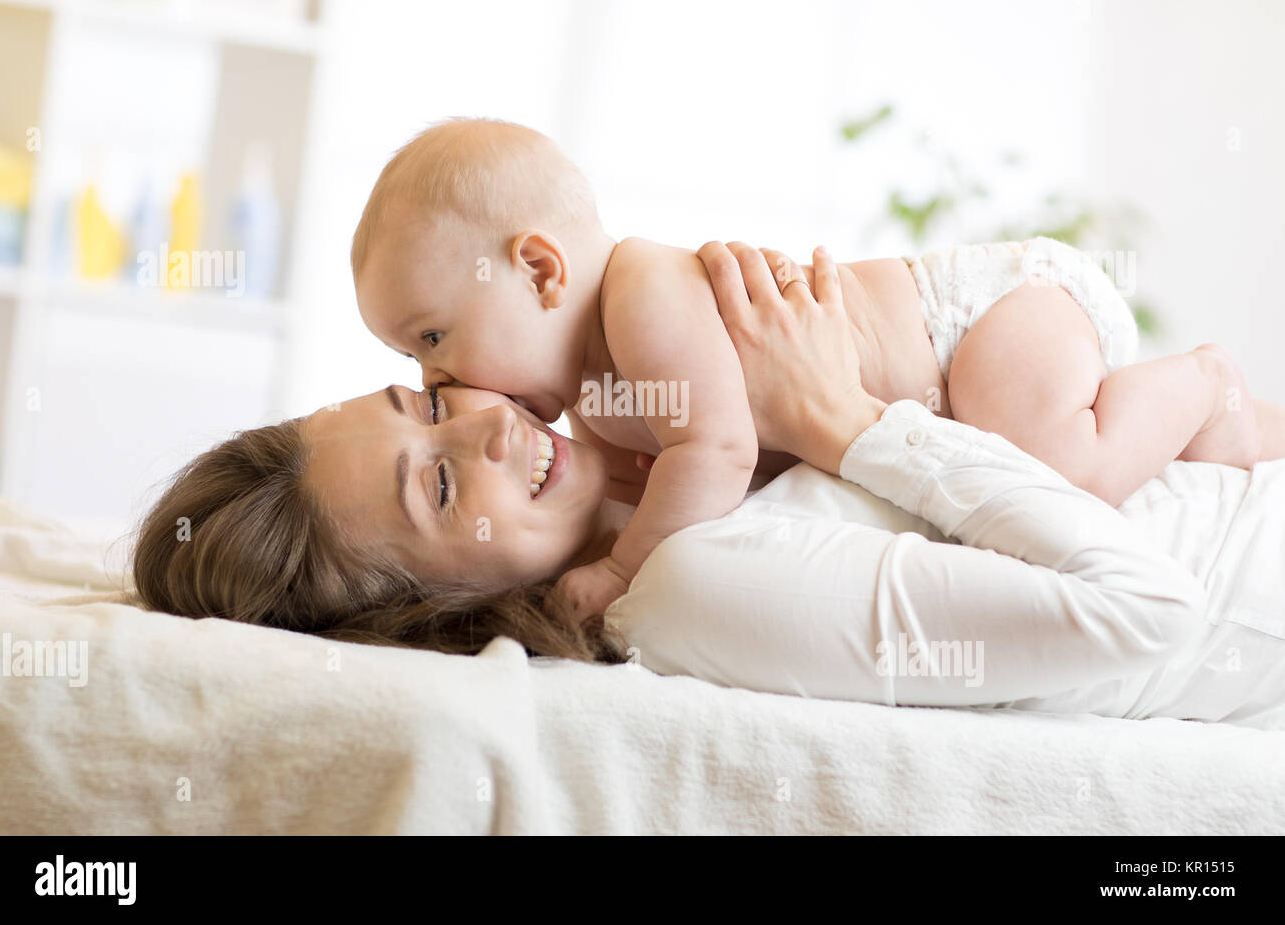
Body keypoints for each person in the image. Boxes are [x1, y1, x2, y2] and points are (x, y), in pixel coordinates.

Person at [134, 243, 1285, 729]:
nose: (485, 421)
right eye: (436, 489)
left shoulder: (650, 450)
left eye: (429, 400)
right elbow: (1147, 610)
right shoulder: (691, 585)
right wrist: (848, 419)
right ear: (430, 616)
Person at [348, 117, 1285, 621]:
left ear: (541, 271)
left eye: (431, 340)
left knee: (1063, 471)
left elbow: (715, 453)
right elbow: (758, 475)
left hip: (983, 320)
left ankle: (1203, 379)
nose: (438, 384)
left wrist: (626, 567)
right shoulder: (599, 412)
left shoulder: (641, 294)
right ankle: (1234, 436)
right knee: (1137, 477)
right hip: (944, 392)